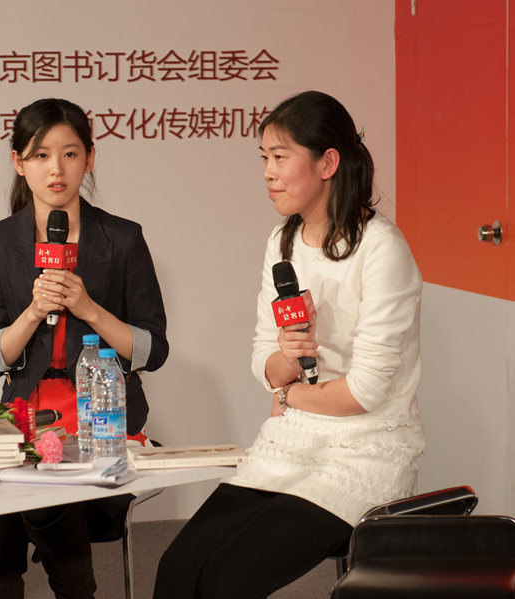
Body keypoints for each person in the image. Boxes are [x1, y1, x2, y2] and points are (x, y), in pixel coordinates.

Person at [153, 90, 425, 598]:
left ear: (327, 162)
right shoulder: (283, 241)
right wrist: (287, 359)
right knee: (176, 568)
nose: (268, 173)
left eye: (280, 157)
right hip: (291, 443)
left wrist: (287, 396)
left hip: (363, 453)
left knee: (227, 579)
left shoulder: (381, 250)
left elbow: (363, 392)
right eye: (264, 159)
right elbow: (265, 361)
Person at [0, 97, 169, 599]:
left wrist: (90, 308)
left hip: (102, 419)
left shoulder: (122, 240)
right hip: (26, 417)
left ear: (90, 158)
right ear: (18, 162)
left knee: (33, 495)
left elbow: (152, 349)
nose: (55, 169)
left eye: (69, 154)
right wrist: (34, 311)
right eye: (40, 156)